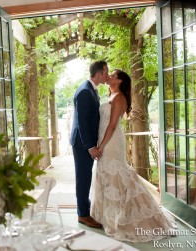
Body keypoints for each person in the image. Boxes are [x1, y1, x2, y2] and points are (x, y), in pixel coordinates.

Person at [90, 69, 176, 242]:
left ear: (120, 81)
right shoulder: (110, 95)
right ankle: (107, 217)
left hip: (111, 141)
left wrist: (101, 145)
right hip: (105, 137)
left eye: (113, 75)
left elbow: (113, 125)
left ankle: (123, 218)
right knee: (106, 174)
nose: (110, 76)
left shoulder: (119, 97)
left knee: (117, 174)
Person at [70, 60, 108, 228]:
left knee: (85, 177)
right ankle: (83, 215)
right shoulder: (85, 91)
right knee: (83, 178)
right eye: (106, 73)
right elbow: (83, 123)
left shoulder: (91, 89)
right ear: (98, 74)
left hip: (86, 141)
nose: (107, 76)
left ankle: (84, 210)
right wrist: (91, 147)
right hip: (82, 143)